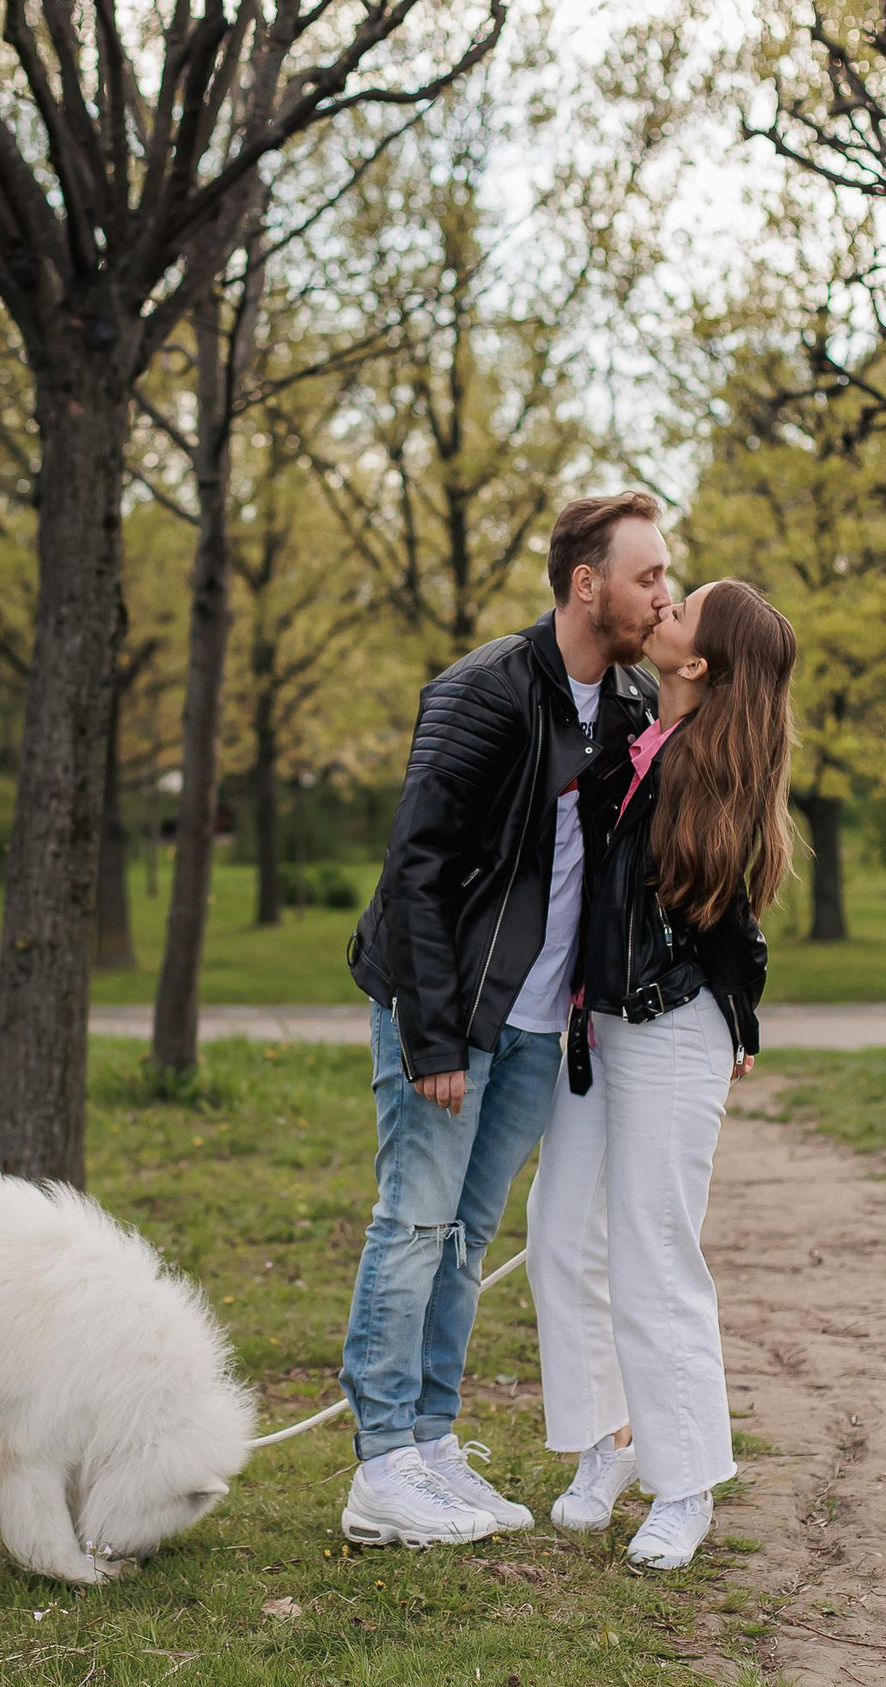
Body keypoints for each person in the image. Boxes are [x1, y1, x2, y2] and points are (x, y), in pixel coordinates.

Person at [335, 492, 675, 1547]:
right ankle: (379, 1462)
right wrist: (434, 1037)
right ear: (587, 585)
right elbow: (418, 874)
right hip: (452, 1013)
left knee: (467, 1234)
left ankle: (432, 1442)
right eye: (648, 576)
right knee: (413, 1222)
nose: (663, 594)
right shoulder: (481, 692)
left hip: (537, 1026)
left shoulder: (622, 702)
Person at [525, 578, 793, 1570]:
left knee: (652, 1251)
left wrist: (735, 1011)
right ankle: (610, 1442)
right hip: (604, 1026)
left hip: (671, 1031)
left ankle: (684, 1485)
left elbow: (724, 921)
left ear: (698, 665)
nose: (661, 607)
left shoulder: (711, 772)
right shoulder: (646, 736)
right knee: (559, 1232)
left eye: (679, 610)